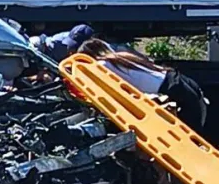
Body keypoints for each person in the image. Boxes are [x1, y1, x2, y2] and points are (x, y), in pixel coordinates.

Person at [78, 38, 207, 134]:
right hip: (173, 79)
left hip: (168, 88)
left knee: (189, 132)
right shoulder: (119, 57)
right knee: (194, 124)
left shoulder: (102, 65)